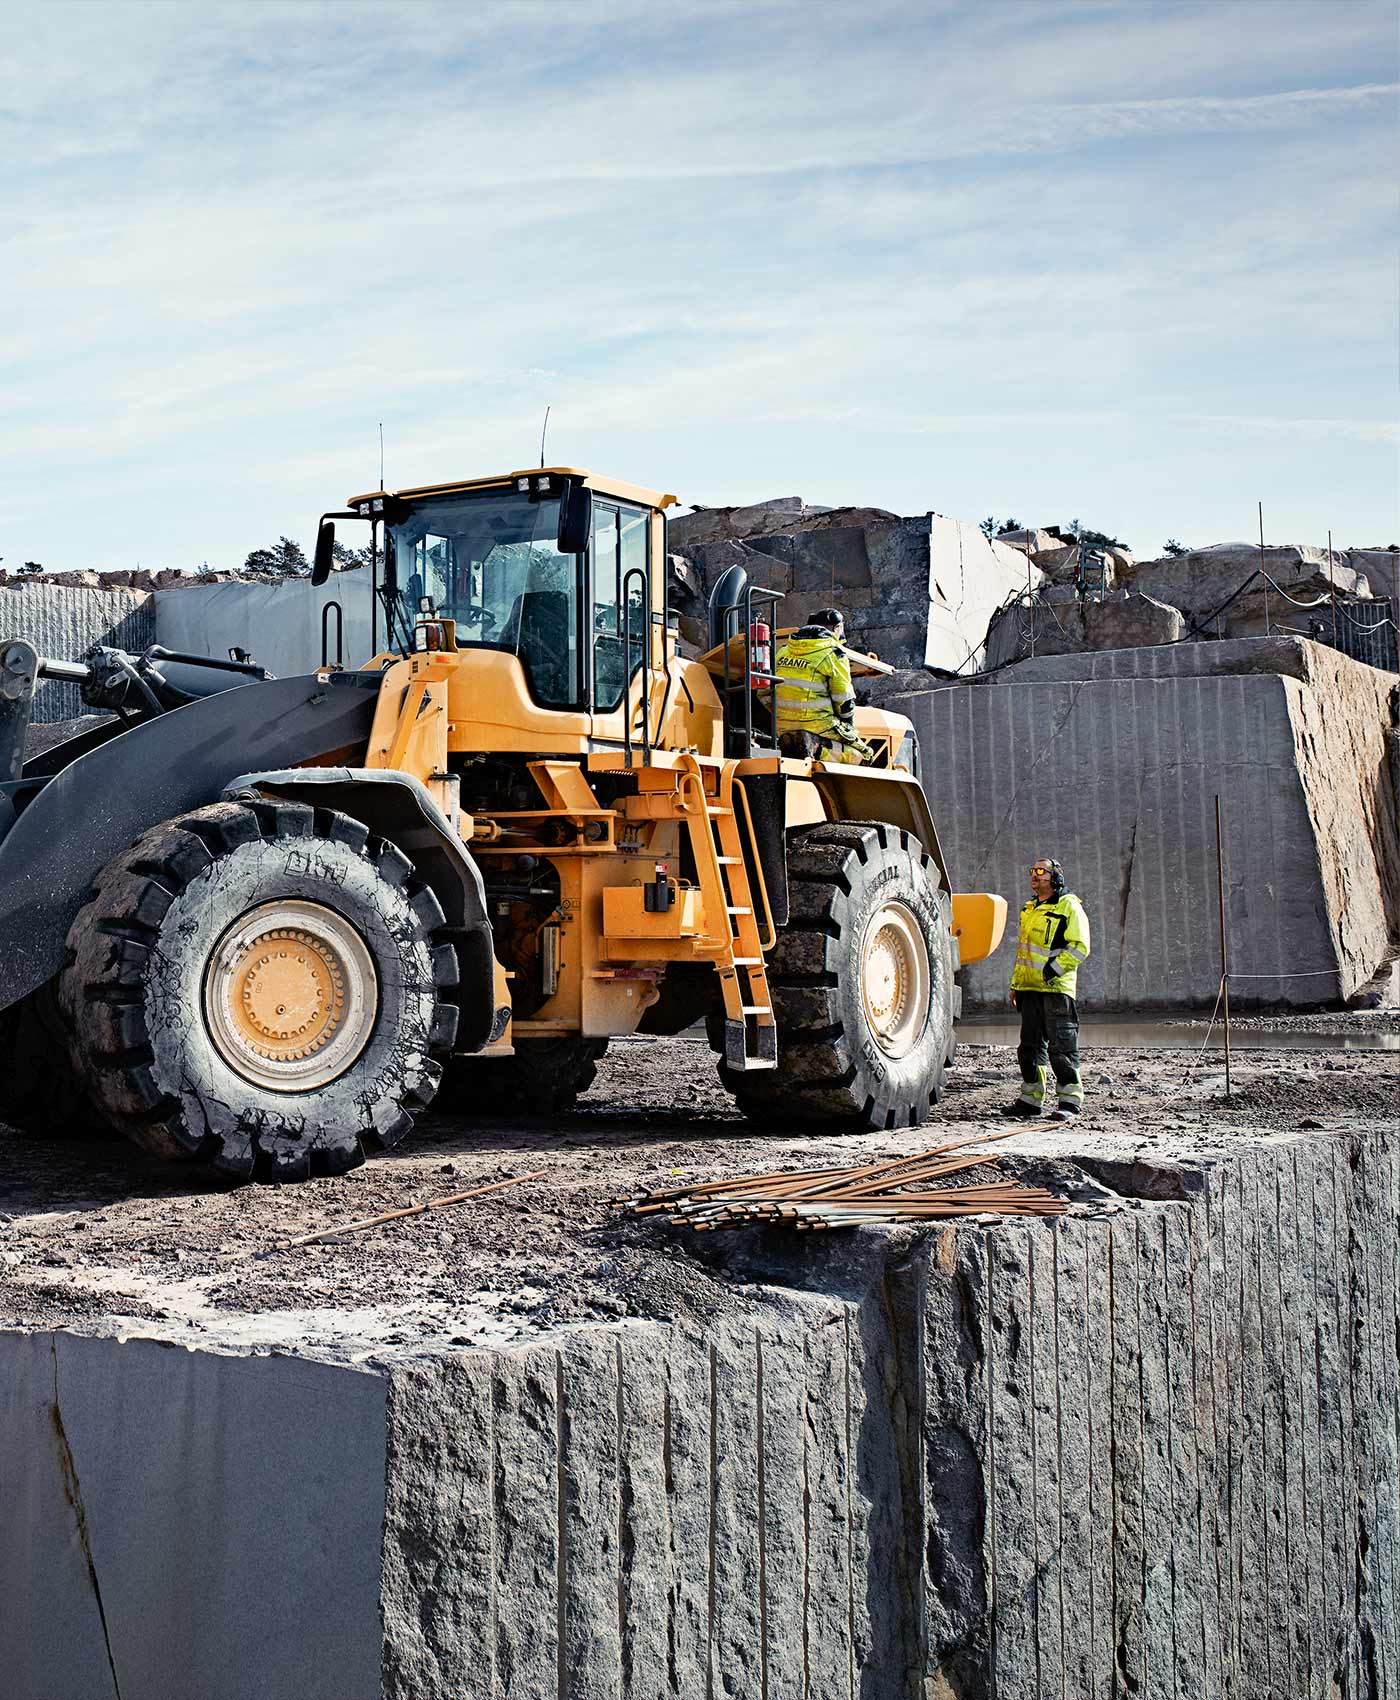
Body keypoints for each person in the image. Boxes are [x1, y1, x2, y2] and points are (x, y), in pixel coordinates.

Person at [1004, 857, 1091, 1119]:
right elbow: (1024, 953)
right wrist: (1016, 985)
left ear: (1056, 877)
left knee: (1061, 1046)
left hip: (1056, 989)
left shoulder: (1069, 906)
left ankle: (1070, 1102)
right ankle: (1031, 1100)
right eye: (1033, 870)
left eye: (1041, 870)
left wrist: (1052, 970)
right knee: (1029, 1048)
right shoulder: (1029, 908)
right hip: (1029, 989)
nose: (1035, 874)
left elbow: (1080, 947)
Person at [772, 607, 873, 765]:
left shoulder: (783, 651)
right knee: (866, 755)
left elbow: (765, 692)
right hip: (818, 725)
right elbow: (843, 700)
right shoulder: (834, 654)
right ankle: (815, 747)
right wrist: (848, 728)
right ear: (838, 628)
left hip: (781, 724)